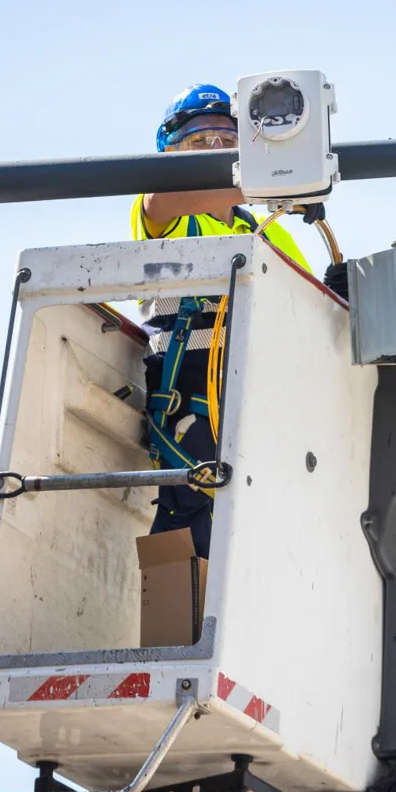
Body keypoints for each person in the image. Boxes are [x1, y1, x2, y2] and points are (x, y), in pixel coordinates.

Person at [131, 82, 331, 559]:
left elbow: (310, 302)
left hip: (258, 399)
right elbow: (162, 202)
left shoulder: (264, 231)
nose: (215, 151)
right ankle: (177, 627)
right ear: (168, 153)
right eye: (199, 143)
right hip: (189, 404)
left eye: (227, 140)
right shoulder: (165, 214)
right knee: (187, 526)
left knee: (261, 537)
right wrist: (278, 180)